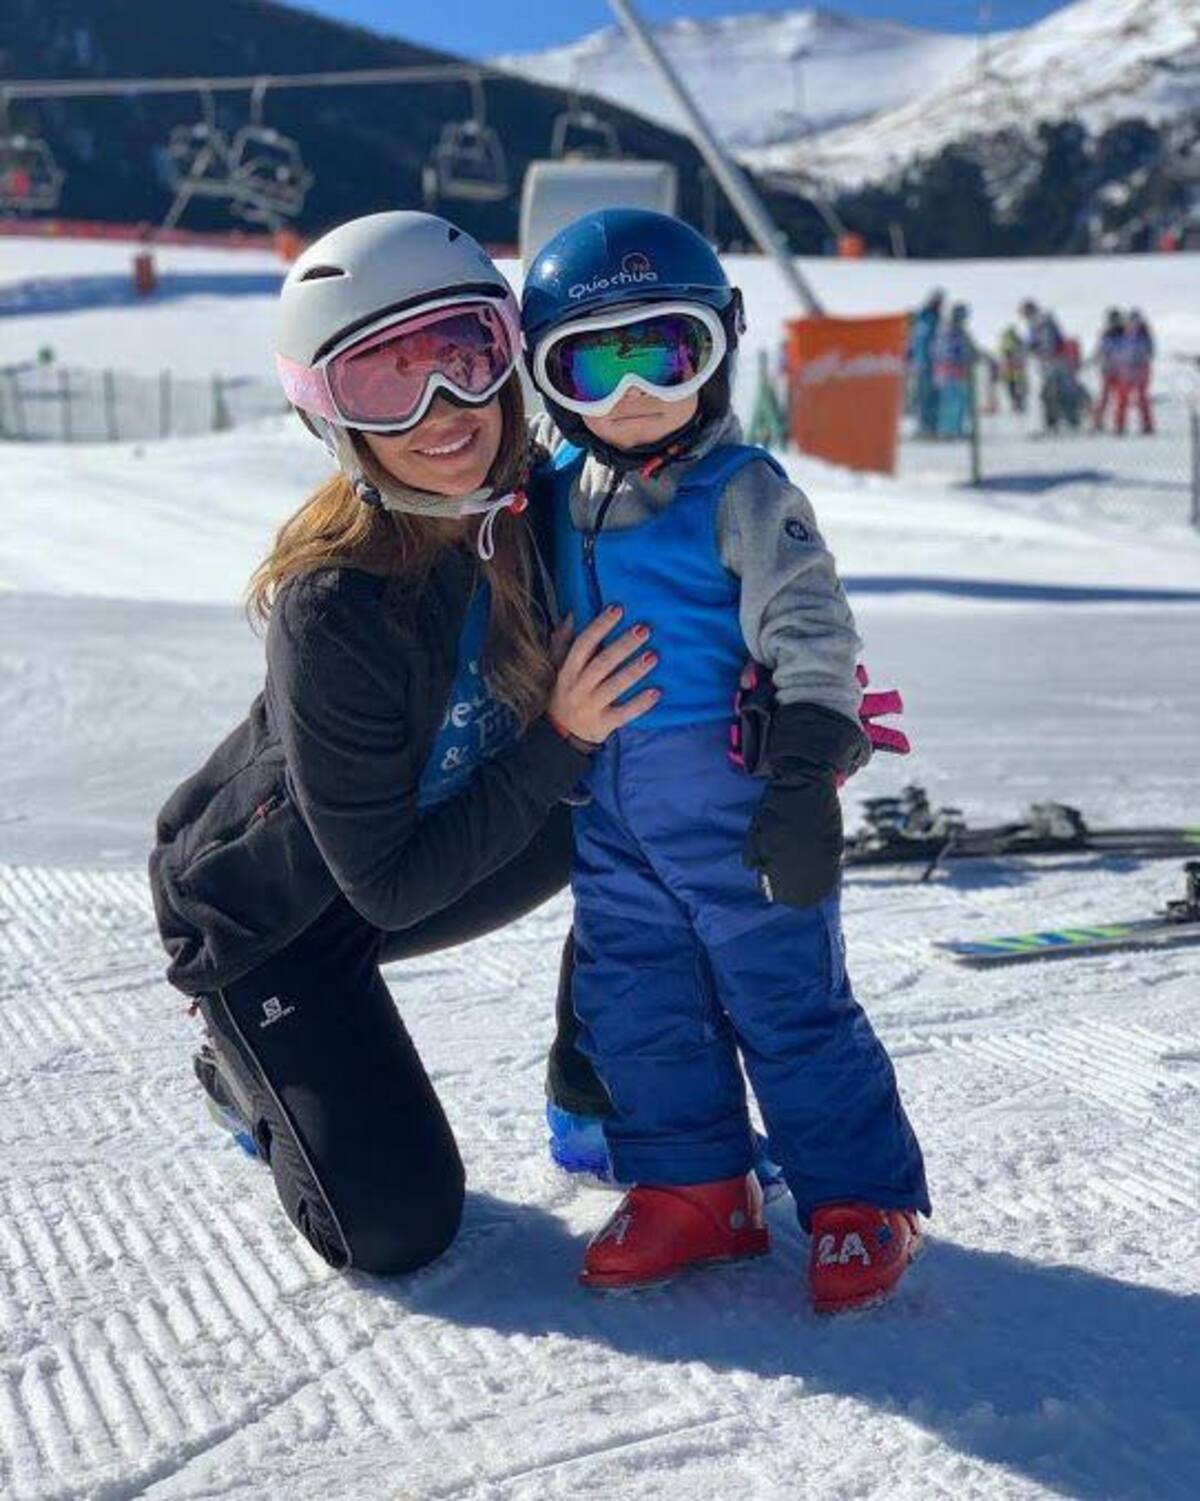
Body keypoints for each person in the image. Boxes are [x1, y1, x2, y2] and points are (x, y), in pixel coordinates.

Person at [148, 211, 661, 1275]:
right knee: (397, 1230)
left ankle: (595, 1078)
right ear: (331, 414)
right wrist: (561, 737)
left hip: (427, 845)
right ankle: (242, 1061)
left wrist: (790, 692)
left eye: (464, 358)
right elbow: (384, 889)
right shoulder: (336, 606)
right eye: (388, 383)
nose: (444, 411)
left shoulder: (540, 508)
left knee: (654, 785)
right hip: (279, 915)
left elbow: (692, 573)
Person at [521, 210, 930, 1315]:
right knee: (636, 1002)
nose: (631, 395)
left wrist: (804, 774)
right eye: (591, 366)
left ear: (716, 352)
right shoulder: (548, 498)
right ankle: (697, 1184)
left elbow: (812, 624)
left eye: (663, 352)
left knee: (787, 1000)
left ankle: (856, 1197)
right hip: (607, 814)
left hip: (738, 807)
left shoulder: (742, 490)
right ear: (548, 380)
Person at [931, 302, 974, 439]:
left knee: (958, 402)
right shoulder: (950, 331)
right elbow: (947, 351)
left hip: (955, 372)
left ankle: (956, 429)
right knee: (951, 403)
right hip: (950, 372)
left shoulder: (953, 330)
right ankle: (949, 430)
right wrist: (963, 356)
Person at [908, 290, 943, 437]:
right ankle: (926, 426)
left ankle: (932, 425)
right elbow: (916, 343)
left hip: (933, 365)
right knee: (924, 397)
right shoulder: (924, 320)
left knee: (932, 396)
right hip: (924, 365)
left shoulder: (935, 320)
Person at [1115, 309, 1155, 435]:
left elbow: (1149, 353)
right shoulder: (1122, 336)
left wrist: (1138, 360)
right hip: (1125, 373)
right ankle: (1120, 426)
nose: (1132, 324)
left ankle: (1147, 425)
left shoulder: (1144, 336)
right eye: (1130, 321)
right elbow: (1116, 352)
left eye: (1135, 321)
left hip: (1140, 372)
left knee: (1143, 400)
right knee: (1122, 401)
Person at [1092, 308, 1125, 431]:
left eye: (1115, 319)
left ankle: (1118, 424)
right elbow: (1100, 350)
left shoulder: (1125, 333)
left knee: (1120, 399)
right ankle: (1097, 422)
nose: (1114, 322)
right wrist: (1095, 358)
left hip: (1121, 372)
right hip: (1108, 371)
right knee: (1104, 398)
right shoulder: (1106, 334)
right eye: (1112, 320)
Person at [997, 325, 1028, 415]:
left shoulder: (1007, 341)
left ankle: (1017, 404)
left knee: (1013, 388)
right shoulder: (1018, 342)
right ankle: (1019, 404)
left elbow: (1004, 355)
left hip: (1012, 370)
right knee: (1017, 388)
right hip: (1016, 370)